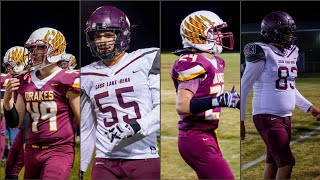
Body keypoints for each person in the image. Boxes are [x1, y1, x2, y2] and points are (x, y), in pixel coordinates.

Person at [80, 6, 160, 179]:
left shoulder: (145, 60)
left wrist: (135, 126)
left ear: (122, 35)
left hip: (143, 156)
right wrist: (83, 165)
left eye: (108, 35)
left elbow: (161, 110)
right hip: (105, 160)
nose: (102, 41)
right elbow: (88, 127)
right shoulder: (86, 75)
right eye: (97, 36)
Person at [240, 11, 320, 179]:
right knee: (286, 162)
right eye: (285, 32)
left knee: (273, 163)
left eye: (290, 31)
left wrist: (310, 108)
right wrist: (239, 120)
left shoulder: (292, 52)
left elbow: (289, 87)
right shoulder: (260, 51)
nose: (290, 36)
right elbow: (244, 86)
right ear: (272, 33)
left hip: (285, 117)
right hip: (266, 116)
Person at [3, 27, 80, 179]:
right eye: (32, 49)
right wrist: (7, 100)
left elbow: (82, 120)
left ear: (56, 49)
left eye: (40, 48)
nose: (34, 53)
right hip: (32, 149)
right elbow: (15, 123)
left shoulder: (68, 79)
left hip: (59, 149)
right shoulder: (24, 80)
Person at [170, 10, 239, 179]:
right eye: (214, 32)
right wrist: (220, 100)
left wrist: (233, 101)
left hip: (208, 134)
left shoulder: (216, 61)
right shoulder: (192, 63)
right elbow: (183, 106)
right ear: (198, 36)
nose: (220, 35)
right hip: (194, 137)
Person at [1, 46, 30, 179]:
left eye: (10, 65)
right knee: (11, 167)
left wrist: (25, 138)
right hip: (22, 126)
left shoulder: (29, 81)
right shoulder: (21, 79)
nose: (8, 69)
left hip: (36, 132)